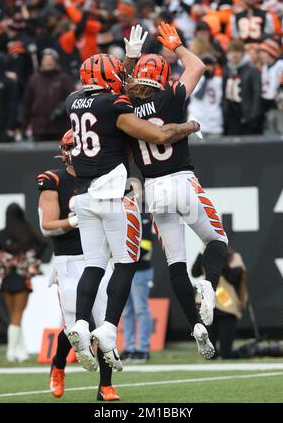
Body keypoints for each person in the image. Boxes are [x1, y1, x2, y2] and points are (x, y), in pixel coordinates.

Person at [65, 41, 198, 370]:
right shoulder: (113, 106)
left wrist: (129, 59)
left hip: (82, 197)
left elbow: (116, 91)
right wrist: (191, 126)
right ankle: (109, 328)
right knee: (126, 262)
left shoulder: (73, 102)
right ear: (109, 78)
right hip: (111, 194)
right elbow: (158, 136)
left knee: (94, 265)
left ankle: (81, 323)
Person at [127, 22, 229, 359]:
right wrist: (177, 44)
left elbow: (119, 91)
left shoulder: (124, 109)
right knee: (217, 241)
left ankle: (195, 324)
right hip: (181, 180)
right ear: (162, 77)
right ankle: (209, 286)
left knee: (175, 263)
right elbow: (197, 66)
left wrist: (130, 58)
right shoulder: (169, 96)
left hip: (153, 189)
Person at [37, 130, 119, 401]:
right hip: (69, 260)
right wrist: (76, 220)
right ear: (66, 151)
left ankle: (105, 386)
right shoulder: (54, 180)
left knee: (105, 323)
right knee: (75, 327)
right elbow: (47, 226)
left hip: (97, 257)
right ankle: (58, 364)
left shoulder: (99, 178)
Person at [0, 203, 46, 362]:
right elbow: (44, 244)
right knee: (16, 316)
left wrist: (5, 259)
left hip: (7, 279)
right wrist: (32, 258)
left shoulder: (1, 234)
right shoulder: (27, 231)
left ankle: (21, 351)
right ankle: (11, 351)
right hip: (22, 279)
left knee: (14, 317)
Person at [192, 247, 248, 359]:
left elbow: (233, 277)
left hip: (227, 307)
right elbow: (194, 272)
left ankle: (246, 352)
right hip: (208, 305)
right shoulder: (205, 257)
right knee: (210, 353)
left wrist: (218, 257)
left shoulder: (234, 257)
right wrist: (202, 253)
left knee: (226, 353)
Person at [121, 181, 153, 363]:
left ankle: (143, 348)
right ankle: (129, 347)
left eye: (135, 188)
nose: (132, 191)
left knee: (141, 308)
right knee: (126, 310)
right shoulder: (119, 211)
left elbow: (146, 245)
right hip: (125, 269)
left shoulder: (144, 213)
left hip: (140, 268)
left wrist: (123, 253)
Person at [22, 48, 75, 141]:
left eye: (51, 60)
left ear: (56, 62)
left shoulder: (64, 78)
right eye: (46, 60)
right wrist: (25, 123)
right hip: (38, 127)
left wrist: (61, 110)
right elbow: (27, 102)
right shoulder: (34, 79)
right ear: (41, 61)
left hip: (60, 127)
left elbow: (72, 98)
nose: (48, 62)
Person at [223, 39, 263, 135]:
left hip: (247, 115)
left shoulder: (252, 70)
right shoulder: (227, 70)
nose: (234, 55)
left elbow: (257, 93)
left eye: (237, 51)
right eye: (232, 51)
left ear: (243, 53)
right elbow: (224, 93)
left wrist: (252, 115)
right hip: (231, 115)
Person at [187, 53, 223, 139]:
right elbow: (198, 96)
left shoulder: (219, 81)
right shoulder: (194, 79)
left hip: (215, 123)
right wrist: (206, 79)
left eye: (210, 65)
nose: (208, 67)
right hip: (196, 122)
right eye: (206, 64)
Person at [259, 38, 283, 137]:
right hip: (268, 108)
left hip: (280, 107)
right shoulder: (264, 67)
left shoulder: (282, 66)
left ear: (270, 52)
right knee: (269, 137)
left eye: (263, 52)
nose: (261, 55)